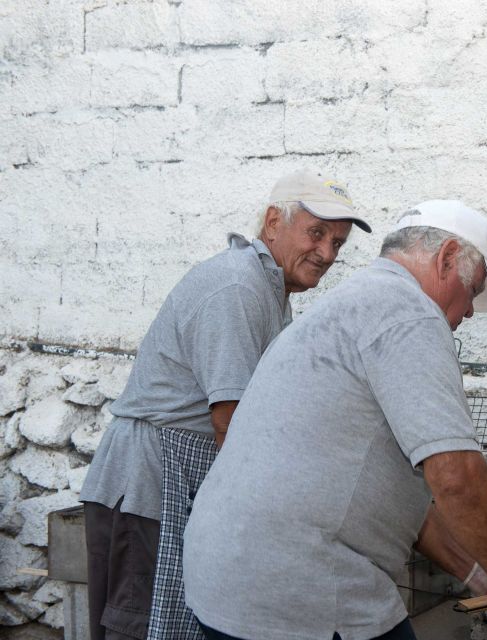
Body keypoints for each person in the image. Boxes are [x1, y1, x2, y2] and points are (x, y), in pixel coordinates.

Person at [182, 200, 487, 640]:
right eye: (471, 290)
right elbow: (455, 476)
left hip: (225, 577)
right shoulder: (410, 311)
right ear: (447, 257)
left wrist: (479, 575)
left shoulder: (353, 300)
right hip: (300, 588)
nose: (469, 311)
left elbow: (393, 497)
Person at [78, 169, 372, 640]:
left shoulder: (268, 286)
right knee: (138, 628)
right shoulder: (239, 286)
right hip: (151, 485)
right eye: (316, 234)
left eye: (338, 243)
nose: (327, 253)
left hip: (180, 480)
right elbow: (231, 423)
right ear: (273, 222)